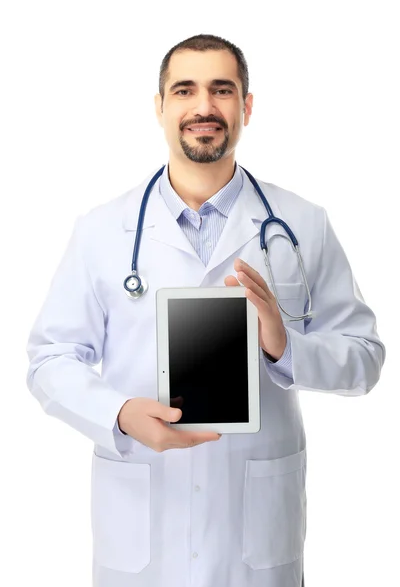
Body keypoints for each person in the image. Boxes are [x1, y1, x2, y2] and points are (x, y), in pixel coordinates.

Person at [26, 33, 386, 587]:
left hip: (254, 528)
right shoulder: (101, 231)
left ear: (246, 106)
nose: (203, 107)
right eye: (185, 90)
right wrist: (119, 414)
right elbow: (50, 359)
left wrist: (284, 345)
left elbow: (363, 359)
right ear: (160, 107)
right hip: (143, 517)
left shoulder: (302, 224)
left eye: (222, 90)